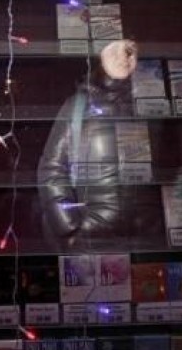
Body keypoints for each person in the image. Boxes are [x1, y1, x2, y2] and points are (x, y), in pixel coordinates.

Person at [37, 39, 161, 249]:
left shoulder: (156, 106)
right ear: (99, 56)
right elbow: (51, 169)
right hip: (93, 238)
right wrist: (70, 228)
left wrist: (167, 216)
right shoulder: (77, 106)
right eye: (114, 50)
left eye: (129, 50)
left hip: (148, 238)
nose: (123, 57)